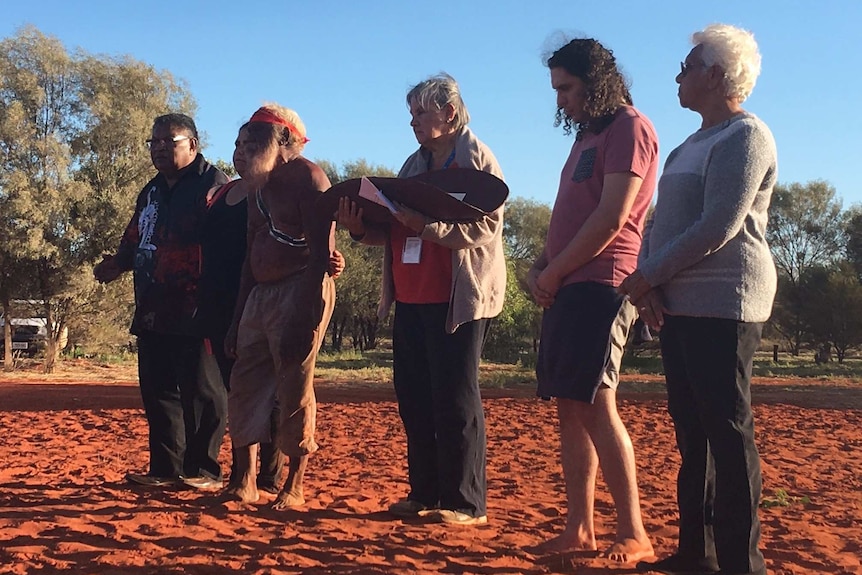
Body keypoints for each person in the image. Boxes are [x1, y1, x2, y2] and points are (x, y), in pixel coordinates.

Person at [621, 24, 776, 575]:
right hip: (679, 304)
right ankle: (697, 554)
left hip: (725, 304)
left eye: (687, 67)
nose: (679, 76)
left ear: (715, 74)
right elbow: (664, 223)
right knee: (693, 432)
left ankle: (742, 562)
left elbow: (719, 224)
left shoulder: (746, 136)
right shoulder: (688, 145)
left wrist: (647, 277)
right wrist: (652, 285)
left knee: (728, 432)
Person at [337, 73, 506, 525]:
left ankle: (466, 503)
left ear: (448, 113)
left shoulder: (477, 159)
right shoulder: (414, 164)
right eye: (411, 114)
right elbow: (395, 226)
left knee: (455, 398)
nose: (412, 122)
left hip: (457, 298)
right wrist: (358, 228)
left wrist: (427, 227)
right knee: (414, 397)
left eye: (420, 113)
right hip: (411, 296)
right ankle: (425, 494)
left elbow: (486, 228)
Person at [526, 38, 657, 563]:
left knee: (599, 406)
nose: (562, 100)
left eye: (568, 88)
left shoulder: (629, 126)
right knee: (571, 408)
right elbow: (572, 213)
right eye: (557, 89)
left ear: (596, 80)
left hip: (603, 282)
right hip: (569, 284)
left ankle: (635, 533)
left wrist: (554, 271)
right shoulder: (588, 136)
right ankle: (579, 529)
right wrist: (542, 264)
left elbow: (612, 216)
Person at [198, 124, 345, 495]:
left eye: (251, 144)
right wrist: (237, 318)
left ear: (281, 140)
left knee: (294, 386)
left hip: (300, 290)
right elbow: (252, 251)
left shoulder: (310, 179)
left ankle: (293, 486)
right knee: (244, 385)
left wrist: (304, 311)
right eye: (239, 144)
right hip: (260, 295)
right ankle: (243, 479)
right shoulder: (256, 186)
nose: (242, 151)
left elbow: (320, 255)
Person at [94, 113, 229, 488]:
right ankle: (166, 470)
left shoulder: (214, 185)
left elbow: (232, 242)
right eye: (153, 142)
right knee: (159, 391)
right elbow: (135, 237)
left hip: (197, 307)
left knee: (203, 391)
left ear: (193, 145)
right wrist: (117, 264)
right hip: (153, 305)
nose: (159, 148)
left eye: (169, 141)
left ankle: (204, 470)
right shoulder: (151, 190)